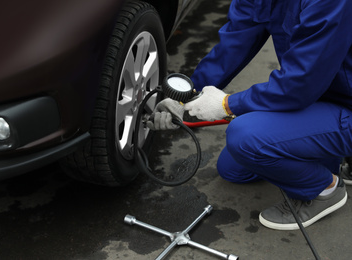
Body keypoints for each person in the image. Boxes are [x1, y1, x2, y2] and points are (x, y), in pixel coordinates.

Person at [148, 0, 352, 231]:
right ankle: (328, 150)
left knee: (245, 138)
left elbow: (300, 84)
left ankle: (324, 190)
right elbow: (232, 47)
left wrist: (227, 104)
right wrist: (183, 97)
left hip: (341, 102)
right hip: (318, 97)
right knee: (232, 168)